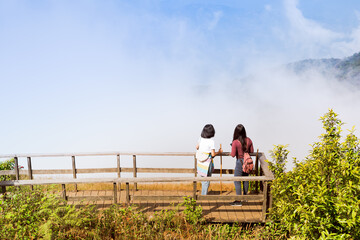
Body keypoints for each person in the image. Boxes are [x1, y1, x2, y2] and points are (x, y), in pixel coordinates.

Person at [196, 124, 223, 195]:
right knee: (206, 181)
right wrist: (219, 152)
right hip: (207, 163)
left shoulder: (200, 138)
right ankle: (203, 196)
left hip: (200, 162)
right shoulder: (211, 141)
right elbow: (213, 154)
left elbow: (197, 147)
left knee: (203, 180)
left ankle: (203, 195)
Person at [230, 124, 254, 206]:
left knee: (237, 180)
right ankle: (245, 198)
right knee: (245, 179)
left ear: (236, 132)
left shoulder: (235, 142)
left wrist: (233, 148)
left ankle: (238, 201)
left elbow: (232, 155)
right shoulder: (249, 140)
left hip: (240, 162)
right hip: (247, 162)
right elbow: (252, 151)